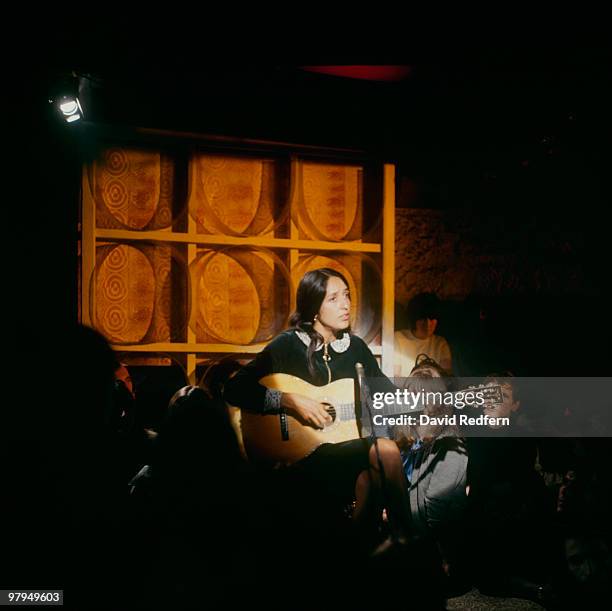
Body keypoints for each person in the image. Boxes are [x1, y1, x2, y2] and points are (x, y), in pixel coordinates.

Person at [224, 267, 411, 552]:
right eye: (333, 298)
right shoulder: (287, 346)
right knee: (380, 458)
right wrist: (289, 400)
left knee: (377, 465)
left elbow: (387, 396)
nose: (346, 304)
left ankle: (384, 551)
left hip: (347, 451)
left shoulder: (356, 349)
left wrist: (428, 403)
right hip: (300, 455)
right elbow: (235, 388)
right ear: (314, 307)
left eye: (347, 296)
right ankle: (406, 546)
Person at [394, 292, 452, 376]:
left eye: (432, 318)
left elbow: (447, 378)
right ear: (414, 319)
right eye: (422, 319)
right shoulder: (398, 338)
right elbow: (395, 377)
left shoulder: (440, 343)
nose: (428, 324)